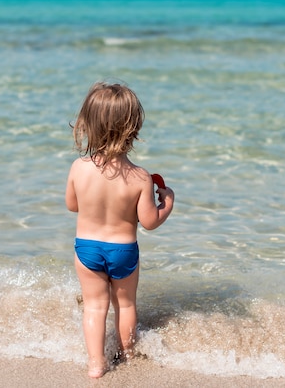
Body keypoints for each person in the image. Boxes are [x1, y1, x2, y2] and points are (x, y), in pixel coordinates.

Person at [65, 82, 175, 378]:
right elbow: (149, 222)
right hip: (124, 251)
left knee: (94, 307)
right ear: (132, 127)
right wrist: (168, 203)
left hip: (87, 248)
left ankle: (96, 364)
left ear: (88, 124)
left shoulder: (78, 167)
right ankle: (127, 355)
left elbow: (71, 205)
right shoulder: (140, 177)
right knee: (125, 305)